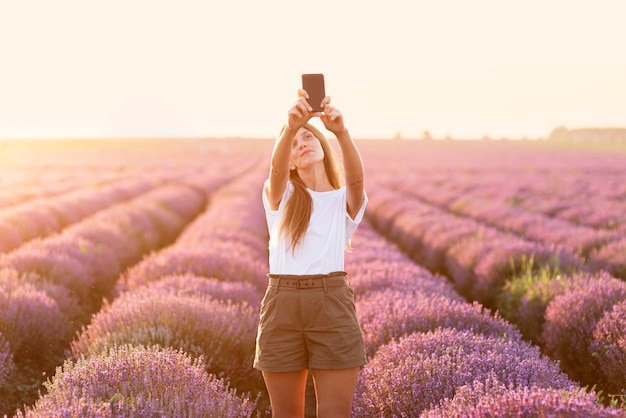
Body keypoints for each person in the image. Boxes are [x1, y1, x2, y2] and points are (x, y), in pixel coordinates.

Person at [254, 88, 368, 418]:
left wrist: (341, 132)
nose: (301, 144)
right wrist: (289, 127)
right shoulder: (281, 196)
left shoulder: (341, 201)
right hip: (282, 304)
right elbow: (274, 173)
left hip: (330, 304)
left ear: (322, 144)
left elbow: (357, 179)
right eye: (293, 144)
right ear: (287, 160)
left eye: (307, 137)